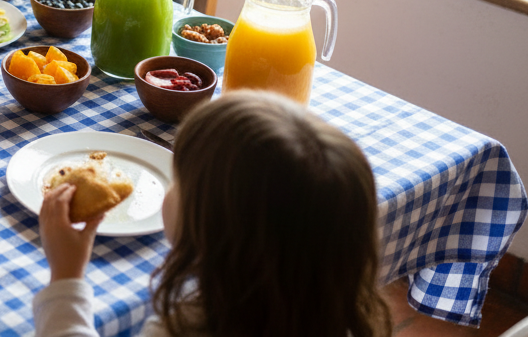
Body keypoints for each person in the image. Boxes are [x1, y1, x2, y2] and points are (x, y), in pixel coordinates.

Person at [35, 91, 392, 336]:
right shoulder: (338, 320)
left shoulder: (183, 329)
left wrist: (66, 278)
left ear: (216, 230)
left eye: (181, 178)